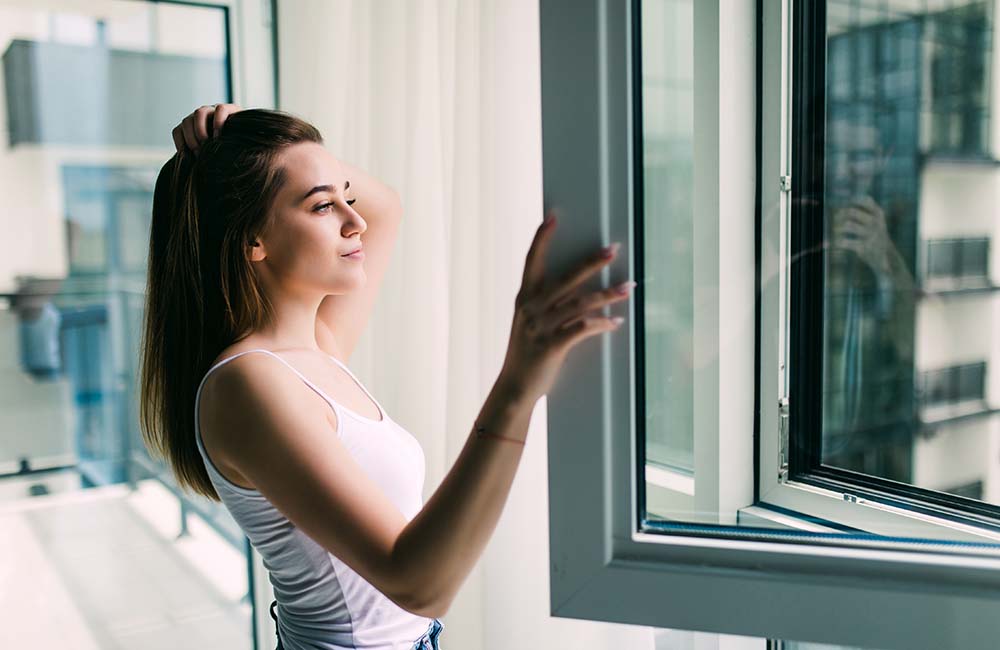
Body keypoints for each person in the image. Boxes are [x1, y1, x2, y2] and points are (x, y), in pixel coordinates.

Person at [139, 103, 633, 649]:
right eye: (324, 206)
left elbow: (387, 208)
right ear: (251, 239)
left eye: (345, 198)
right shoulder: (249, 385)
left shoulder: (314, 350)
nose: (357, 222)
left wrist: (249, 130)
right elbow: (417, 585)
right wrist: (518, 383)